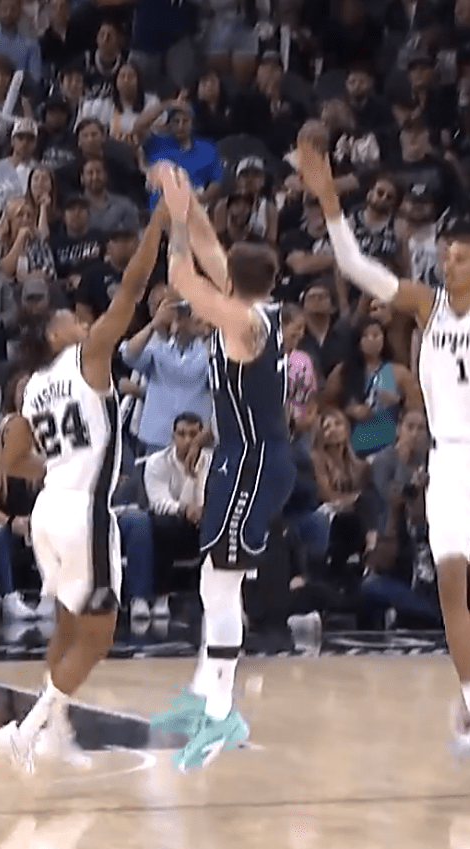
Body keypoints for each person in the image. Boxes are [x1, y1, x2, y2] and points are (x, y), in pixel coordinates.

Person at [296, 130, 470, 755]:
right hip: (452, 460)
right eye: (444, 253)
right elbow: (357, 268)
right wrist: (329, 200)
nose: (448, 262)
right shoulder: (424, 303)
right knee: (449, 583)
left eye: (460, 256)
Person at [0, 192, 168, 775]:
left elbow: (11, 461)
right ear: (56, 335)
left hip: (49, 508)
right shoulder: (88, 356)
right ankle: (27, 729)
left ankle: (55, 734)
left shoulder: (33, 386)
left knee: (67, 626)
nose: (82, 320)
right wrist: (158, 224)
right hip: (85, 512)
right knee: (98, 637)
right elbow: (132, 290)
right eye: (70, 318)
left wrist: (54, 469)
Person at [142, 166, 296, 772]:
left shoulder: (243, 322)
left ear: (232, 281)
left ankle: (223, 711)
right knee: (213, 579)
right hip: (239, 456)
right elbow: (208, 248)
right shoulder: (256, 304)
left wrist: (175, 222)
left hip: (255, 461)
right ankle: (202, 693)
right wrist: (187, 201)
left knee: (225, 583)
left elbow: (182, 275)